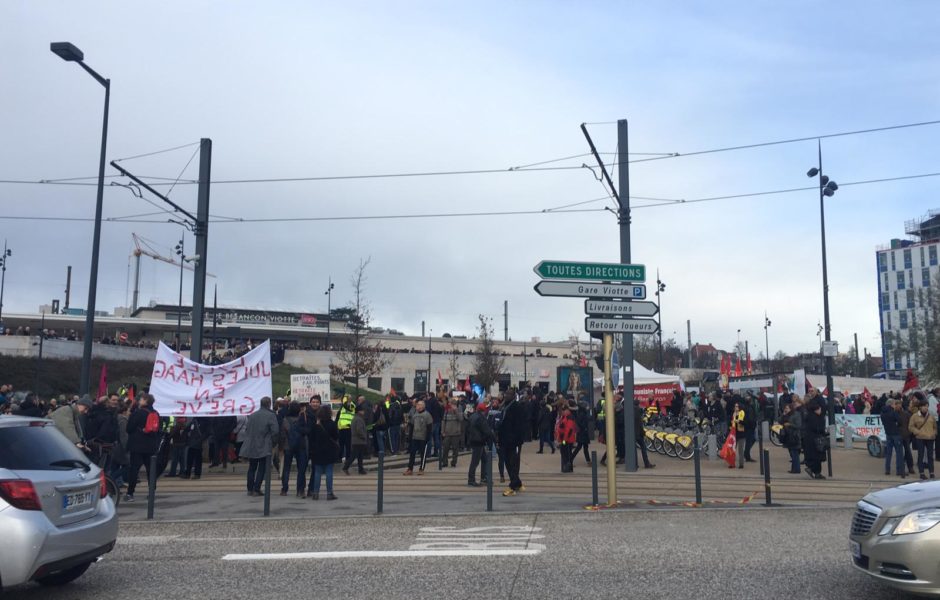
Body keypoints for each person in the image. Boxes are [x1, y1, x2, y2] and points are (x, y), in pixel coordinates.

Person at [239, 396, 279, 497]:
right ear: (269, 404)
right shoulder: (271, 415)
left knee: (252, 467)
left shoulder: (252, 415)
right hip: (264, 445)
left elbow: (247, 429)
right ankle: (257, 489)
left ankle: (250, 489)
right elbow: (275, 431)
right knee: (261, 468)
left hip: (251, 445)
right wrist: (273, 443)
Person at [124, 393, 161, 502]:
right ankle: (151, 492)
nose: (139, 401)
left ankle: (130, 493)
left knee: (134, 470)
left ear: (145, 401)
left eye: (141, 399)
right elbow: (159, 429)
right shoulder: (156, 413)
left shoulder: (138, 413)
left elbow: (129, 428)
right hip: (151, 446)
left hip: (137, 446)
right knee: (151, 470)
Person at [500, 389, 528, 496]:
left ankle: (513, 486)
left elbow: (520, 425)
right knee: (508, 462)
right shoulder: (504, 406)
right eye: (505, 393)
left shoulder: (517, 407)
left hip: (514, 441)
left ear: (513, 396)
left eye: (508, 394)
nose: (506, 395)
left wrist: (517, 440)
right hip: (505, 439)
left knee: (513, 463)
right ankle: (518, 483)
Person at [307, 405, 339, 500]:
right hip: (329, 450)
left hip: (317, 451)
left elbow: (311, 438)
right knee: (329, 472)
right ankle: (329, 493)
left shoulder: (316, 425)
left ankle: (315, 493)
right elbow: (336, 437)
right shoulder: (332, 424)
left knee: (317, 472)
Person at [282, 403, 311, 496]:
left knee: (286, 468)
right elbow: (306, 431)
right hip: (301, 445)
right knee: (301, 469)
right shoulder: (303, 419)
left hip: (288, 446)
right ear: (299, 409)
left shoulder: (285, 420)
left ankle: (284, 489)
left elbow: (282, 434)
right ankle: (300, 490)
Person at [467, 402, 496, 487]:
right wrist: (494, 439)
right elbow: (486, 431)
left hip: (474, 440)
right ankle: (471, 480)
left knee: (484, 459)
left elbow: (467, 429)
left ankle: (484, 477)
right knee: (475, 462)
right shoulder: (481, 418)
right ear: (483, 410)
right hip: (479, 441)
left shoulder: (472, 416)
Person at [909, 400, 936, 480]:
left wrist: (934, 433)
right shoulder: (915, 416)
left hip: (930, 438)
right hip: (920, 438)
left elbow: (935, 427)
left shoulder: (931, 416)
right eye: (924, 406)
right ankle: (922, 473)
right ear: (920, 407)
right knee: (920, 455)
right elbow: (910, 427)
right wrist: (917, 432)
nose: (925, 407)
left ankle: (931, 472)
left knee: (930, 456)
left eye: (927, 406)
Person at [404, 400, 432, 476]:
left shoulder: (427, 415)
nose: (417, 406)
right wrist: (410, 437)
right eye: (417, 405)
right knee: (412, 453)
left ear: (423, 406)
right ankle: (410, 469)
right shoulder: (415, 415)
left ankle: (421, 469)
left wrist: (427, 437)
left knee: (423, 454)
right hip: (415, 437)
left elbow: (429, 427)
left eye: (419, 405)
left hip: (423, 437)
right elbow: (412, 426)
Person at [880, 398, 906, 478]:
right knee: (899, 453)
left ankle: (887, 469)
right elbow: (900, 421)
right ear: (891, 404)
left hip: (888, 433)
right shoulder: (893, 412)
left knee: (888, 453)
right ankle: (899, 470)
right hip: (896, 434)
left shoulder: (882, 413)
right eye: (894, 404)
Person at [802, 400, 828, 480]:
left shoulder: (808, 416)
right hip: (816, 439)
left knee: (813, 456)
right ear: (816, 409)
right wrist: (824, 431)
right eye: (819, 409)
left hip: (809, 439)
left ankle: (813, 470)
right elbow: (817, 428)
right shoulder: (815, 418)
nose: (821, 411)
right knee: (817, 457)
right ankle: (816, 472)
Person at [343, 406, 368, 475]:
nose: (364, 412)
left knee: (359, 456)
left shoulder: (356, 418)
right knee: (354, 455)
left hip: (356, 440)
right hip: (358, 440)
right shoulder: (359, 419)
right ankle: (345, 467)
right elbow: (359, 430)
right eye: (362, 410)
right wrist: (364, 436)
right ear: (359, 411)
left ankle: (361, 469)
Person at [555, 400, 577, 473]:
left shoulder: (569, 417)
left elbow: (569, 430)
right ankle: (567, 467)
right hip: (565, 439)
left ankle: (567, 467)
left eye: (564, 410)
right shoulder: (565, 416)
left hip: (567, 439)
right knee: (565, 452)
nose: (563, 411)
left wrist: (564, 440)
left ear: (567, 410)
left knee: (566, 453)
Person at [781, 401, 803, 474]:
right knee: (792, 453)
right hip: (788, 436)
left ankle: (796, 469)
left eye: (787, 408)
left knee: (794, 453)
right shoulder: (787, 415)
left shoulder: (796, 414)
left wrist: (790, 424)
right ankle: (794, 468)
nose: (786, 409)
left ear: (791, 408)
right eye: (785, 408)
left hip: (794, 436)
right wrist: (783, 415)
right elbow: (780, 421)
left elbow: (798, 425)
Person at [441, 397, 464, 468]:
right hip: (447, 433)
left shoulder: (459, 410)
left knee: (455, 449)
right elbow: (443, 421)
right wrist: (442, 431)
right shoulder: (446, 411)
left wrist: (456, 411)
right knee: (445, 449)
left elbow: (461, 419)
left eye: (450, 404)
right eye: (449, 403)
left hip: (455, 433)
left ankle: (453, 462)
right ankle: (444, 462)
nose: (449, 405)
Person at [633, 398, 656, 469]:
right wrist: (643, 432)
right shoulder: (638, 411)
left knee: (634, 449)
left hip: (632, 432)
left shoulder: (630, 410)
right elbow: (640, 424)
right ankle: (646, 463)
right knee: (643, 447)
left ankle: (635, 464)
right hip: (638, 433)